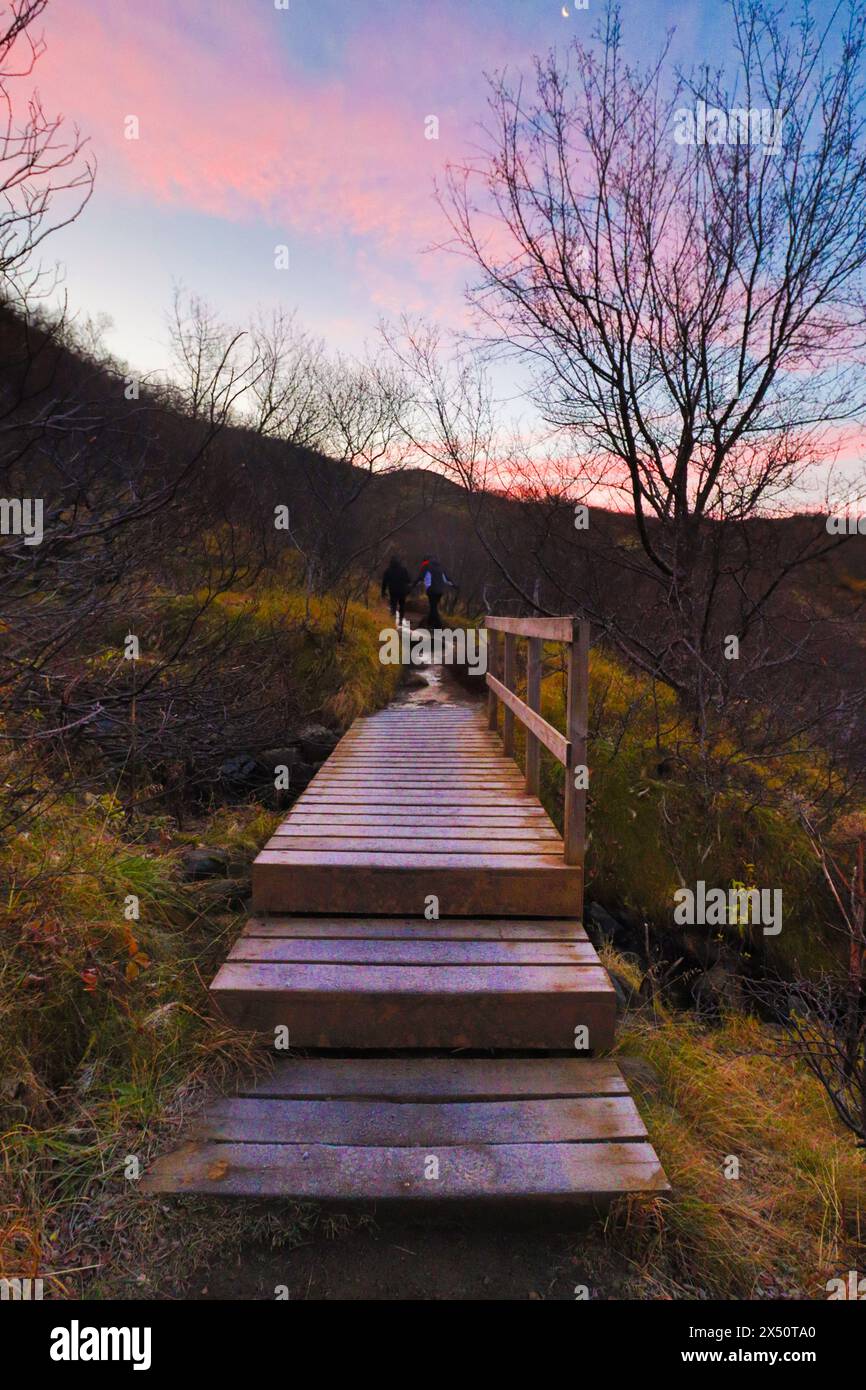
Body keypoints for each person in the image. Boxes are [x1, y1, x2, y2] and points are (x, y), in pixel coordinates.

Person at [412, 555, 457, 629]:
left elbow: (421, 578)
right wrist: (454, 585)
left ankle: (438, 624)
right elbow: (446, 580)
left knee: (433, 607)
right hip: (440, 591)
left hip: (431, 591)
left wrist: (413, 585)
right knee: (434, 606)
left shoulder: (428, 568)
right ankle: (430, 622)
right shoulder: (441, 569)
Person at [381, 554, 411, 624]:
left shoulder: (388, 570)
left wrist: (383, 592)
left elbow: (384, 582)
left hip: (393, 591)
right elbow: (408, 580)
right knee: (402, 605)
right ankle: (400, 619)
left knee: (393, 605)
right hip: (402, 591)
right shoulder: (403, 569)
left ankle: (392, 620)